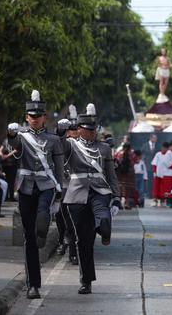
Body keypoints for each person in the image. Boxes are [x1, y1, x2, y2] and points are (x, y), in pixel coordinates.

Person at [57, 103, 121, 294]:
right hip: (76, 195)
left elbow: (111, 175)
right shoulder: (71, 145)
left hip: (99, 193)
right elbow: (59, 147)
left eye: (94, 130)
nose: (92, 133)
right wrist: (61, 131)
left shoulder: (104, 148)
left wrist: (117, 198)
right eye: (88, 129)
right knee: (83, 241)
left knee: (104, 222)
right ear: (79, 129)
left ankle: (105, 230)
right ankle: (86, 280)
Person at [7, 90, 64, 299]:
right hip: (25, 187)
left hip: (46, 185)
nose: (35, 120)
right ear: (26, 117)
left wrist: (60, 193)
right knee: (29, 238)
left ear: (44, 118)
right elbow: (13, 148)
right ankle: (34, 285)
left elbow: (58, 169)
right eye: (31, 116)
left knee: (42, 216)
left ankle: (44, 224)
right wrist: (11, 135)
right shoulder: (21, 137)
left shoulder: (54, 140)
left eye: (38, 116)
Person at [55, 105, 79, 265]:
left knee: (74, 222)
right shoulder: (63, 143)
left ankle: (73, 251)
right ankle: (61, 241)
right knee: (61, 217)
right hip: (63, 186)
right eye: (71, 130)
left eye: (76, 130)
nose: (74, 133)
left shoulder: (83, 145)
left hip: (79, 187)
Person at [114, 142, 137, 209]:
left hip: (120, 174)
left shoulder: (118, 153)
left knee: (120, 187)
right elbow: (136, 161)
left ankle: (120, 203)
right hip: (130, 174)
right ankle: (127, 204)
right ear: (130, 148)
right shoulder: (132, 155)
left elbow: (115, 160)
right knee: (129, 188)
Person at [151, 142, 169, 207]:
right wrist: (154, 172)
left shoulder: (168, 155)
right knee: (156, 188)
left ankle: (162, 201)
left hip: (165, 175)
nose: (164, 149)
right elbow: (154, 164)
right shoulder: (158, 154)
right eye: (163, 148)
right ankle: (155, 200)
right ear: (162, 148)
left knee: (163, 189)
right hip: (158, 174)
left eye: (166, 148)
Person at [141, 134, 158, 199]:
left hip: (153, 166)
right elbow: (142, 154)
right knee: (147, 180)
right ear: (151, 138)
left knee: (152, 180)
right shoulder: (145, 145)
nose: (156, 139)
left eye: (156, 138)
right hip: (146, 165)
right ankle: (148, 194)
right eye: (155, 138)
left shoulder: (157, 146)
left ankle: (151, 194)